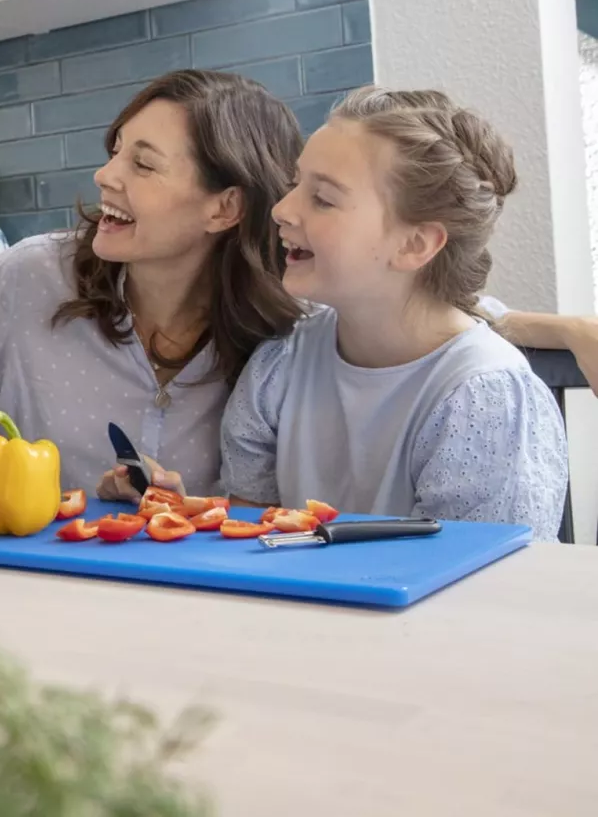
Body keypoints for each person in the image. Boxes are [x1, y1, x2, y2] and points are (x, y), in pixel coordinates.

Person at [0, 70, 593, 511]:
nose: (105, 178)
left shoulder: (289, 320)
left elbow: (414, 318)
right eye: (112, 152)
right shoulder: (35, 282)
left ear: (228, 206)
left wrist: (523, 328)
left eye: (142, 163)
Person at [220, 88, 567, 538]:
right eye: (294, 185)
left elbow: (483, 587)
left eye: (322, 198)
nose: (282, 210)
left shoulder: (483, 399)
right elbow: (248, 535)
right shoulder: (281, 361)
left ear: (415, 244)